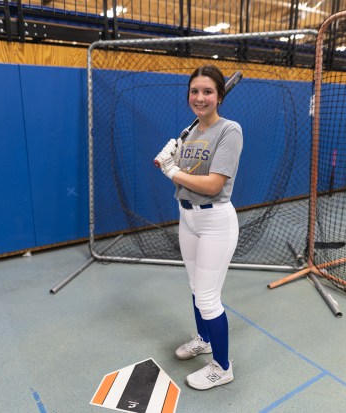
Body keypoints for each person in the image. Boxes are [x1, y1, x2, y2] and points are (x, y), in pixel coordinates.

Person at [154, 65, 243, 390]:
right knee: (195, 287)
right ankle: (204, 339)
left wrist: (172, 170)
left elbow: (212, 185)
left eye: (208, 91)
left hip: (215, 220)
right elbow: (187, 175)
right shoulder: (189, 134)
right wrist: (174, 156)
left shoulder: (229, 130)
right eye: (195, 91)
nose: (200, 97)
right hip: (187, 217)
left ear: (219, 95)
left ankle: (222, 366)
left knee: (207, 298)